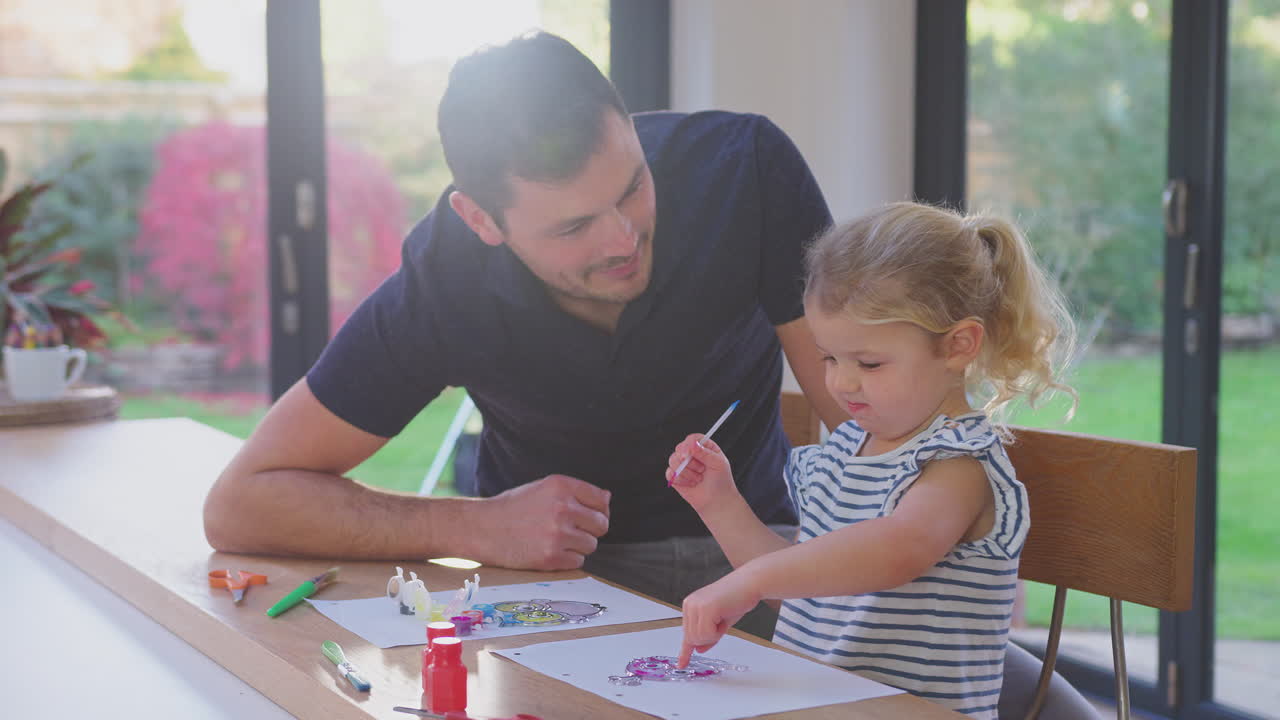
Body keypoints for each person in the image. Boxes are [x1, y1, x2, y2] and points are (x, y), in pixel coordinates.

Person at [203, 30, 847, 636]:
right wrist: (474, 525)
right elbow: (242, 503)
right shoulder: (447, 272)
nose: (624, 239)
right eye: (573, 228)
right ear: (481, 220)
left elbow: (875, 424)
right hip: (555, 584)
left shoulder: (745, 171)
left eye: (632, 187)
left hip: (763, 555)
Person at [664, 202, 1085, 719]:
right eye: (829, 358)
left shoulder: (958, 462)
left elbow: (899, 549)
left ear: (957, 346)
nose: (840, 382)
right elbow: (806, 596)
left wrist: (747, 582)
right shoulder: (844, 451)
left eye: (868, 362)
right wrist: (719, 503)